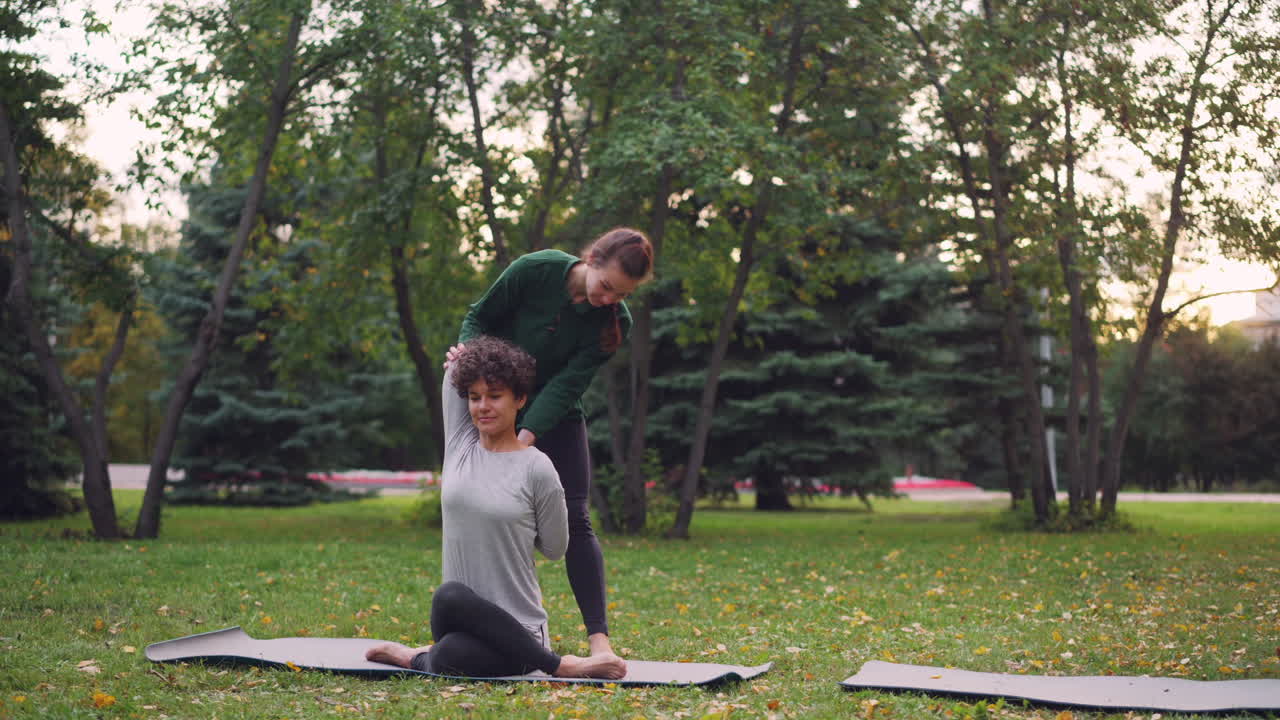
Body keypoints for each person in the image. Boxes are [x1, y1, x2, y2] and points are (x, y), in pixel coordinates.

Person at [443, 228, 654, 660]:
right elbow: (479, 317)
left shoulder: (616, 321)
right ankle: (479, 619)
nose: (610, 300)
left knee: (577, 518)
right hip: (497, 397)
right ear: (592, 259)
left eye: (622, 294)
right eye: (606, 286)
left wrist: (523, 440)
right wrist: (467, 359)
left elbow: (568, 383)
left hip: (555, 413)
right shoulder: (535, 269)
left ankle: (599, 641)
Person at [365, 335, 626, 678]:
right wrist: (458, 359)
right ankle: (560, 666)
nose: (482, 406)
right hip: (458, 618)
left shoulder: (537, 468)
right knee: (448, 597)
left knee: (448, 654)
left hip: (521, 636)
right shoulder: (460, 446)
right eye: (475, 397)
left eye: (495, 396)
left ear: (520, 399)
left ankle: (421, 658)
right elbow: (454, 373)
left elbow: (555, 549)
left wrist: (544, 508)